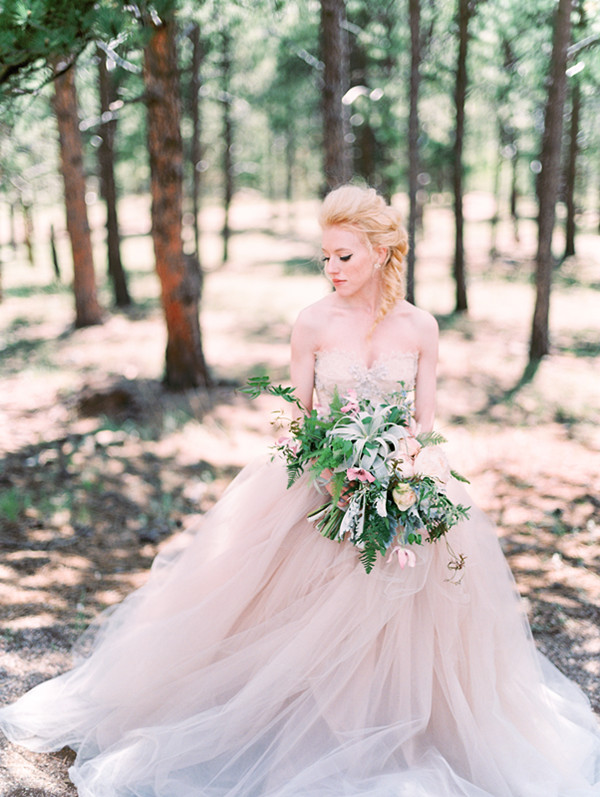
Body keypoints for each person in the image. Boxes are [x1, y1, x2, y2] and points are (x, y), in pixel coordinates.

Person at [1, 184, 599, 796]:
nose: (332, 269)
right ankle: (294, 726)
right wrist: (335, 466)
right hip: (320, 481)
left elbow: (426, 420)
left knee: (413, 614)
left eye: (344, 256)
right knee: (289, 611)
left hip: (402, 485)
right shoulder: (312, 322)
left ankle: (399, 728)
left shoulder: (420, 325)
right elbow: (299, 416)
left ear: (381, 253)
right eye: (326, 257)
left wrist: (403, 466)